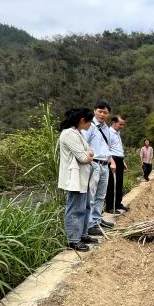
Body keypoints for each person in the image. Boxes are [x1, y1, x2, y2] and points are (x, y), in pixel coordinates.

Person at [58, 108, 99, 252]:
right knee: (75, 209)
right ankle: (73, 241)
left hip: (83, 176)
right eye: (89, 122)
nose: (90, 125)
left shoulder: (78, 133)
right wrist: (88, 155)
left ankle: (82, 234)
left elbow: (90, 152)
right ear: (82, 120)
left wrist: (88, 155)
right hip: (75, 178)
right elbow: (84, 157)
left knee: (85, 207)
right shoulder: (69, 134)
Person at [83, 100, 116, 236]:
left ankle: (97, 219)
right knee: (91, 196)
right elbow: (83, 144)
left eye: (105, 112)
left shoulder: (106, 128)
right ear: (94, 111)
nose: (102, 114)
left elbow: (106, 147)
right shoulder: (89, 126)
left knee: (101, 195)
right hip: (94, 164)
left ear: (108, 114)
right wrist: (89, 161)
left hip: (104, 165)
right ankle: (89, 225)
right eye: (100, 111)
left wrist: (111, 161)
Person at [106, 115, 129, 214]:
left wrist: (122, 161)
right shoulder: (108, 133)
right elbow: (107, 148)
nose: (122, 126)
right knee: (112, 183)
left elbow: (117, 148)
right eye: (120, 124)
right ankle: (110, 206)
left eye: (123, 125)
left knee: (119, 183)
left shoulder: (117, 133)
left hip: (119, 160)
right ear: (114, 123)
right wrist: (111, 161)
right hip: (113, 160)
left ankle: (118, 203)